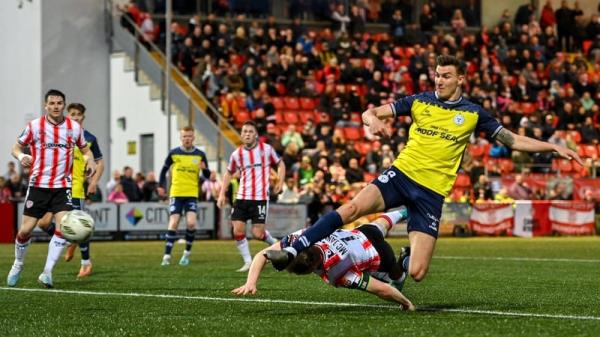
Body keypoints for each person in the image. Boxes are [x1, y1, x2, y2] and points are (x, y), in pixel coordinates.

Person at [265, 55, 583, 289]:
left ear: (460, 79)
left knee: (417, 272)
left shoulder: (474, 113)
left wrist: (552, 147)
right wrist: (372, 119)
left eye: (445, 75)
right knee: (351, 208)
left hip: (431, 194)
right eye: (436, 75)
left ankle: (398, 265)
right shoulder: (418, 102)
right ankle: (295, 246)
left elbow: (511, 139)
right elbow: (370, 111)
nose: (439, 80)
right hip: (402, 175)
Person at [232, 210, 415, 310]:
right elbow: (262, 255)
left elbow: (381, 290)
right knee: (383, 221)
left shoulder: (338, 273)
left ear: (311, 268)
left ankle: (404, 260)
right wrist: (250, 282)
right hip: (363, 231)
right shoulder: (301, 238)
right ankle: (407, 210)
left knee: (396, 278)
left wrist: (406, 303)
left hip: (378, 254)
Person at [7, 89, 96, 288]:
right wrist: (22, 157)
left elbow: (86, 150)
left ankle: (47, 273)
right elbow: (16, 148)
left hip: (62, 186)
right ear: (46, 106)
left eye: (59, 103)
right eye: (52, 103)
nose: (55, 106)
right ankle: (18, 264)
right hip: (38, 185)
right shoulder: (35, 126)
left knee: (63, 228)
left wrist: (90, 162)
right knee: (25, 230)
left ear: (63, 105)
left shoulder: (73, 128)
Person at [36, 103, 105, 279]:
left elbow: (100, 163)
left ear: (83, 117)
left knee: (80, 225)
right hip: (53, 186)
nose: (75, 117)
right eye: (72, 114)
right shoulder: (58, 134)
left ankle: (86, 263)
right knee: (43, 223)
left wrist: (93, 182)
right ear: (68, 115)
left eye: (78, 114)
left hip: (74, 188)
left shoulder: (89, 138)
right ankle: (69, 240)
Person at [217, 121, 285, 272]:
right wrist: (222, 193)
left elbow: (280, 164)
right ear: (241, 135)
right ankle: (248, 262)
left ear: (256, 135)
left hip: (260, 198)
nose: (247, 134)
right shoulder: (237, 154)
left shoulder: (266, 150)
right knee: (237, 230)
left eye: (250, 131)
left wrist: (280, 182)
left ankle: (277, 245)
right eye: (244, 132)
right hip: (241, 197)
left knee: (257, 233)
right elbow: (228, 173)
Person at [158, 126, 210, 266]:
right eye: (184, 136)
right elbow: (163, 171)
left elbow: (207, 175)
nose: (187, 139)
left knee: (191, 223)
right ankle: (166, 256)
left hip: (192, 193)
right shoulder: (174, 153)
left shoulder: (200, 154)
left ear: (193, 138)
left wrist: (205, 170)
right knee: (174, 222)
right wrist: (161, 185)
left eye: (189, 136)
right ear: (181, 138)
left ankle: (186, 255)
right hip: (176, 192)